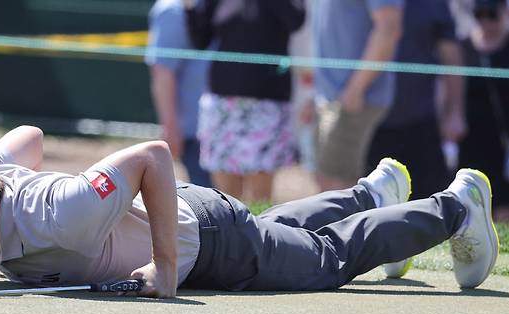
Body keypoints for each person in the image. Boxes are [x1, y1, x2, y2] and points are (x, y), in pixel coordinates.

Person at [0, 125, 499, 298]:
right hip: (200, 218)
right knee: (280, 229)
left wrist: (164, 269)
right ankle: (375, 194)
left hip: (207, 242)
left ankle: (455, 206)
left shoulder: (59, 212)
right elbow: (26, 136)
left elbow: (152, 155)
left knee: (325, 259)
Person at [183, 0, 305, 202]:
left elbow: (295, 21)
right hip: (223, 104)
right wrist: (188, 7)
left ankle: (257, 234)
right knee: (226, 199)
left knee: (260, 199)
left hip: (267, 104)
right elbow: (200, 40)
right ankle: (230, 234)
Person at [366, 0, 466, 200]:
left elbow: (451, 56)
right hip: (367, 122)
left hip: (421, 121)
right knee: (369, 207)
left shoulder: (434, 4)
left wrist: (455, 111)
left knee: (432, 207)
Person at [311, 0, 404, 191]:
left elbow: (389, 28)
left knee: (338, 188)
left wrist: (355, 89)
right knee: (326, 182)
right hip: (332, 97)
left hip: (353, 99)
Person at [459, 0, 509, 223]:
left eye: (491, 14)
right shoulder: (462, 47)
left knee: (508, 208)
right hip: (470, 142)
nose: (485, 21)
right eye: (478, 14)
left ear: (503, 12)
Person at [145, 0, 212, 187]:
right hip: (194, 131)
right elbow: (163, 71)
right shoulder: (173, 9)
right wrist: (170, 126)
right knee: (214, 204)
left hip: (222, 128)